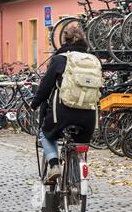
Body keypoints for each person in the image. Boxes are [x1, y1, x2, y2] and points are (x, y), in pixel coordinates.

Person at [31, 27, 99, 182]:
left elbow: (45, 87)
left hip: (62, 113)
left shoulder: (59, 59)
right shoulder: (93, 60)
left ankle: (54, 166)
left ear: (63, 41)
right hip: (88, 115)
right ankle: (75, 184)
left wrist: (34, 104)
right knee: (78, 146)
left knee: (46, 135)